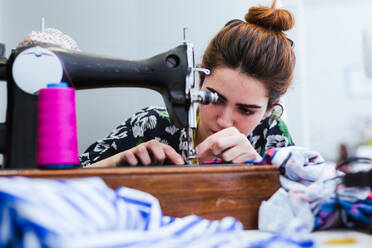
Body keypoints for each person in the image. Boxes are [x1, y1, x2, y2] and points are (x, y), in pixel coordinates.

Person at [80, 0, 295, 167]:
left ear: (270, 108)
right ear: (200, 80)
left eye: (247, 110)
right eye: (215, 98)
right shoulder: (151, 125)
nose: (224, 121)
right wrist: (114, 163)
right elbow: (58, 183)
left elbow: (306, 202)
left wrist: (258, 171)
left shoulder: (271, 136)